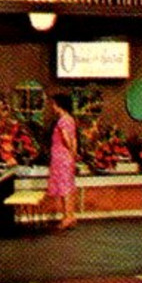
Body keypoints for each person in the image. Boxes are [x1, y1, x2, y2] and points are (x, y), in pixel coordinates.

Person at [46, 91, 78, 231]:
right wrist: (73, 154)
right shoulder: (71, 119)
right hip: (68, 157)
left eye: (54, 104)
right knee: (68, 186)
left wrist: (68, 149)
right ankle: (70, 214)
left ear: (59, 105)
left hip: (61, 156)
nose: (52, 107)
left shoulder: (62, 120)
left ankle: (67, 217)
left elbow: (66, 138)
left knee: (64, 187)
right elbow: (74, 139)